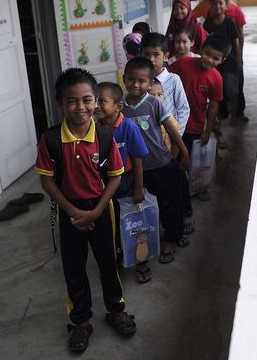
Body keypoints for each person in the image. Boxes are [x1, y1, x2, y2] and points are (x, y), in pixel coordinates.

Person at [35, 68, 136, 352]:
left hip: (102, 208)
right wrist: (72, 212)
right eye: (72, 101)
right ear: (59, 104)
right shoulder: (52, 139)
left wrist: (95, 212)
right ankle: (79, 321)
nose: (80, 107)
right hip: (70, 212)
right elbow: (46, 180)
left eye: (87, 100)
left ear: (95, 101)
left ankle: (116, 309)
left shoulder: (104, 137)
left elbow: (115, 177)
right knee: (74, 268)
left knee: (108, 263)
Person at [122, 57, 191, 263]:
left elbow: (170, 127)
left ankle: (172, 238)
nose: (136, 84)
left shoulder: (153, 103)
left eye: (142, 81)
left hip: (162, 163)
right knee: (146, 206)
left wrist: (183, 150)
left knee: (171, 203)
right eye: (131, 80)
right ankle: (150, 238)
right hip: (137, 170)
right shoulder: (121, 108)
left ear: (150, 83)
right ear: (124, 79)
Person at [94, 81, 153, 284]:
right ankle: (117, 259)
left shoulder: (127, 126)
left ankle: (141, 261)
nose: (95, 106)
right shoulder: (94, 128)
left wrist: (139, 186)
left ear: (118, 106)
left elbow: (137, 158)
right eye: (95, 101)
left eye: (102, 101)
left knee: (135, 222)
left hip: (127, 181)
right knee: (112, 223)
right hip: (105, 183)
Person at [140, 33, 194, 234]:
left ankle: (186, 213)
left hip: (173, 139)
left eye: (156, 54)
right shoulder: (140, 82)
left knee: (179, 178)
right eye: (147, 54)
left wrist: (176, 137)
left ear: (166, 56)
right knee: (160, 185)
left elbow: (183, 108)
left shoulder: (173, 79)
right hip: (151, 144)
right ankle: (165, 220)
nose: (151, 59)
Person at [169, 34, 227, 201]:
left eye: (215, 58)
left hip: (197, 125)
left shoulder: (216, 78)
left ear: (222, 60)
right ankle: (178, 187)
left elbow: (214, 105)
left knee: (197, 160)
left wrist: (208, 130)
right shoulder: (183, 64)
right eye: (207, 54)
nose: (209, 59)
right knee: (178, 158)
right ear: (200, 49)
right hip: (175, 123)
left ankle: (199, 187)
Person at [203, 0, 242, 125]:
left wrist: (238, 61)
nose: (218, 6)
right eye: (215, 3)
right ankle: (217, 117)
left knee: (232, 90)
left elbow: (236, 43)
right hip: (212, 64)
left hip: (229, 63)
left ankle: (234, 116)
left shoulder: (230, 22)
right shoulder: (207, 24)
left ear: (226, 5)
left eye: (221, 3)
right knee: (214, 93)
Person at [219, 0, 249, 122]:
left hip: (233, 55)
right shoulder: (215, 10)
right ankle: (224, 113)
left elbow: (240, 35)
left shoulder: (236, 11)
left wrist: (239, 56)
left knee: (237, 85)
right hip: (220, 56)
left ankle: (239, 113)